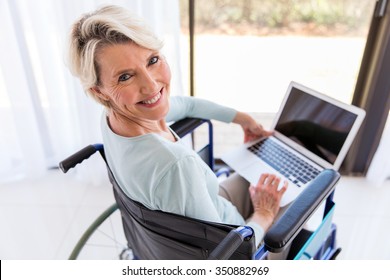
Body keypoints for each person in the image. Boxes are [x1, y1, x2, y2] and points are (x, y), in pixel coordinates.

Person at [67, 4, 287, 247]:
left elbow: (187, 106)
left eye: (152, 60)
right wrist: (264, 215)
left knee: (263, 171)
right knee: (292, 198)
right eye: (125, 77)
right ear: (99, 91)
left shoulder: (115, 116)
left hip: (185, 221)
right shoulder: (176, 165)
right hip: (235, 237)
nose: (151, 87)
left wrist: (241, 119)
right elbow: (225, 252)